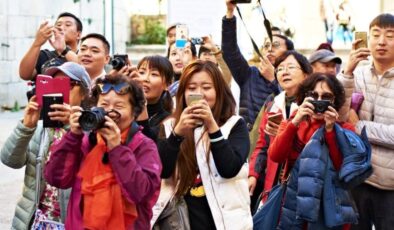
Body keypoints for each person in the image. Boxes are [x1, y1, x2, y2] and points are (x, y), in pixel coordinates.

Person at [44, 75, 162, 230]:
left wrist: (117, 148)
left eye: (119, 106)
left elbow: (142, 194)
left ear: (135, 113)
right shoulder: (86, 141)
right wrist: (73, 136)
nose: (109, 112)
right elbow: (56, 179)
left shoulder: (144, 146)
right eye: (104, 105)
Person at [152, 61, 252, 229]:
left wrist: (212, 126)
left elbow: (229, 169)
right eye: (191, 88)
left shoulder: (235, 125)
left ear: (219, 91)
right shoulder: (170, 127)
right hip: (183, 221)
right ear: (183, 93)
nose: (199, 94)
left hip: (225, 223)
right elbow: (162, 171)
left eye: (206, 87)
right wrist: (177, 134)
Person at [1, 62, 91, 230]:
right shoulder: (41, 129)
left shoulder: (91, 132)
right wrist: (25, 127)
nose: (61, 92)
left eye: (69, 85)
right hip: (34, 221)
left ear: (85, 93)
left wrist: (72, 127)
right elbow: (10, 161)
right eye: (55, 85)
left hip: (71, 223)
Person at [269, 73, 364, 229]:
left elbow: (345, 170)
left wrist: (330, 130)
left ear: (335, 101)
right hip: (294, 202)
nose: (319, 101)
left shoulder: (345, 129)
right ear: (304, 98)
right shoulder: (294, 122)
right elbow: (276, 156)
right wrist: (294, 122)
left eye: (326, 97)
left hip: (329, 206)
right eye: (313, 95)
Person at [337, 13, 394, 229]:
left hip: (390, 185)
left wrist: (359, 126)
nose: (381, 41)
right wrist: (347, 72)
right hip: (356, 178)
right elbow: (342, 118)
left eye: (390, 36)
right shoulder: (358, 74)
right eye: (376, 35)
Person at [248, 51, 312, 210]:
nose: (285, 72)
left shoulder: (312, 105)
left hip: (302, 182)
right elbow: (262, 145)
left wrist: (283, 133)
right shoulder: (272, 104)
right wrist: (253, 175)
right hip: (274, 181)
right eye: (280, 68)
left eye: (291, 67)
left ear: (306, 75)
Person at [222, 0, 294, 129]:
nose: (270, 48)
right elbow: (229, 51)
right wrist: (230, 12)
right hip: (251, 141)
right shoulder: (250, 74)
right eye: (266, 45)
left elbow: (291, 109)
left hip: (279, 139)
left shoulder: (296, 77)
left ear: (289, 53)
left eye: (275, 45)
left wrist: (274, 79)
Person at [19, 12, 83, 80]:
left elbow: (86, 73)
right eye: (58, 25)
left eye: (67, 25)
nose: (61, 27)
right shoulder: (45, 55)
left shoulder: (84, 57)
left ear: (78, 35)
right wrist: (37, 43)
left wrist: (64, 50)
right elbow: (24, 75)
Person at [133, 55, 174, 141]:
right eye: (141, 72)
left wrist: (141, 100)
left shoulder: (168, 121)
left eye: (154, 74)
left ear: (168, 85)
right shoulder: (125, 111)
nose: (145, 79)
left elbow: (145, 142)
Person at [198, 36, 241, 114]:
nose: (207, 57)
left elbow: (228, 72)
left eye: (211, 54)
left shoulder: (220, 78)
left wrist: (215, 50)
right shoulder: (194, 76)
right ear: (199, 57)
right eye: (205, 54)